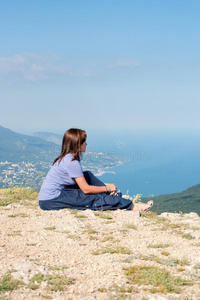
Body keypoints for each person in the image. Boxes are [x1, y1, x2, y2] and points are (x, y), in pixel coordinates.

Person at [39, 128, 153, 212]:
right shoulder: (71, 162)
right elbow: (86, 190)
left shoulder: (67, 157)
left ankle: (111, 196)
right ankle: (133, 206)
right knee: (94, 198)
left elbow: (84, 182)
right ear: (77, 144)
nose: (86, 144)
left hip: (57, 194)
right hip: (51, 200)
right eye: (84, 142)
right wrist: (106, 187)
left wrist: (105, 188)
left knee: (87, 175)